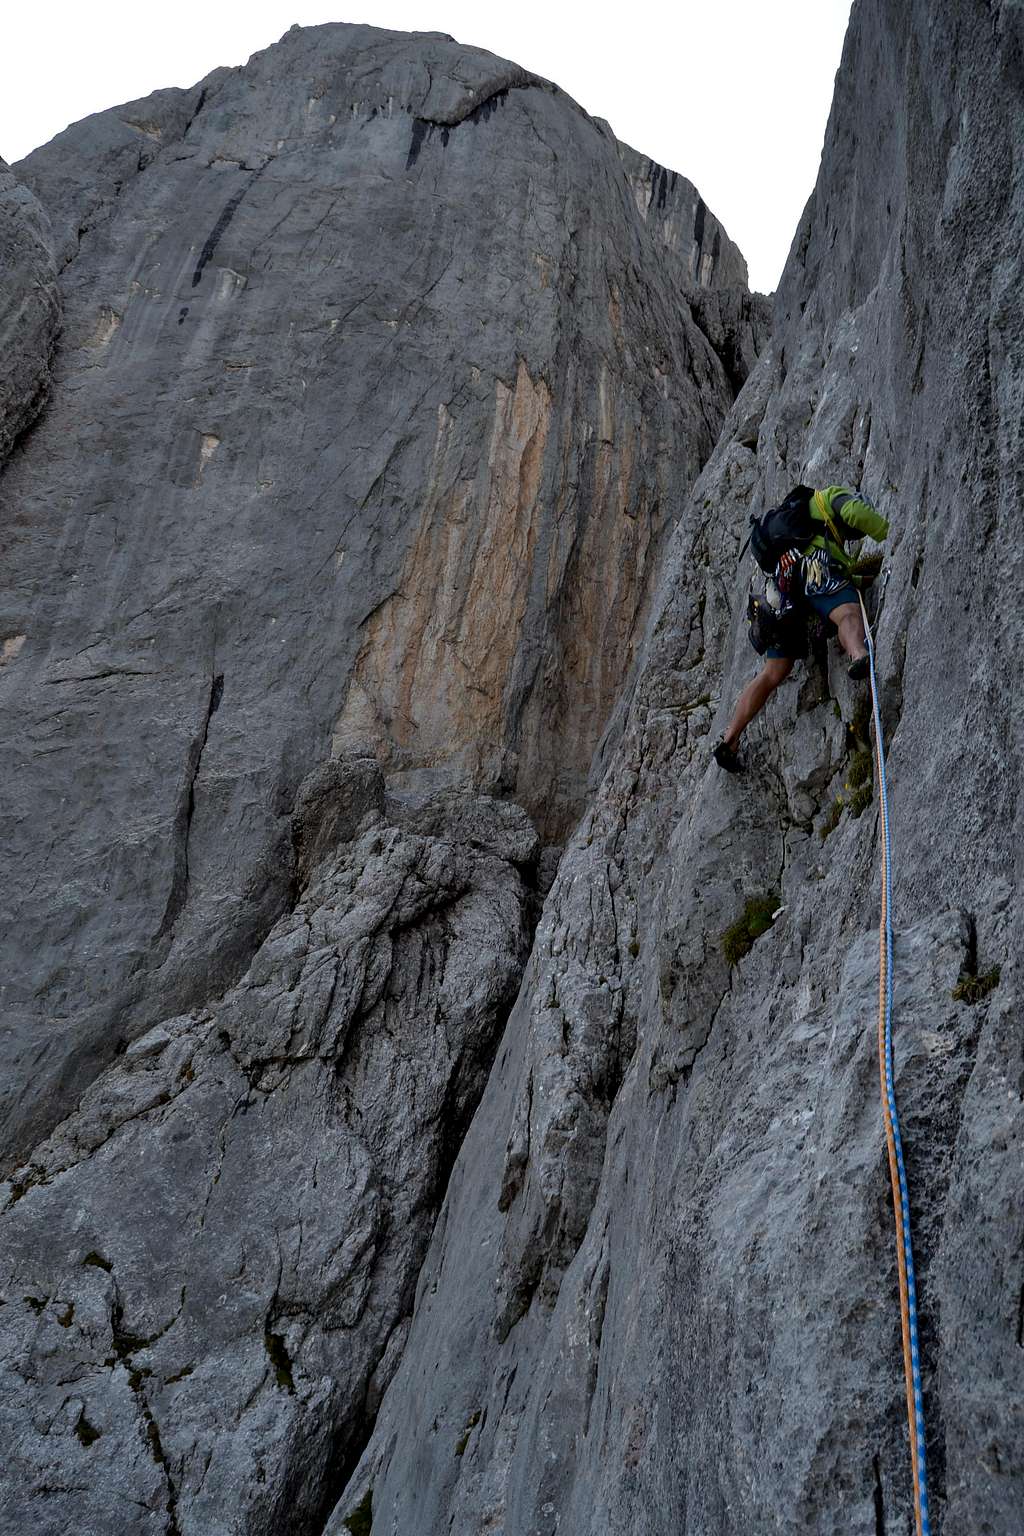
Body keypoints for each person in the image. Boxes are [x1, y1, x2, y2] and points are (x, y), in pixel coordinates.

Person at [713, 484, 889, 773]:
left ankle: (729, 738)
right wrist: (889, 534)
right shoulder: (830, 497)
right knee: (847, 614)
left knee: (773, 672)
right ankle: (859, 655)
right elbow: (855, 512)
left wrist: (856, 577)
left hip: (782, 590)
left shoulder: (794, 524)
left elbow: (841, 570)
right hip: (812, 570)